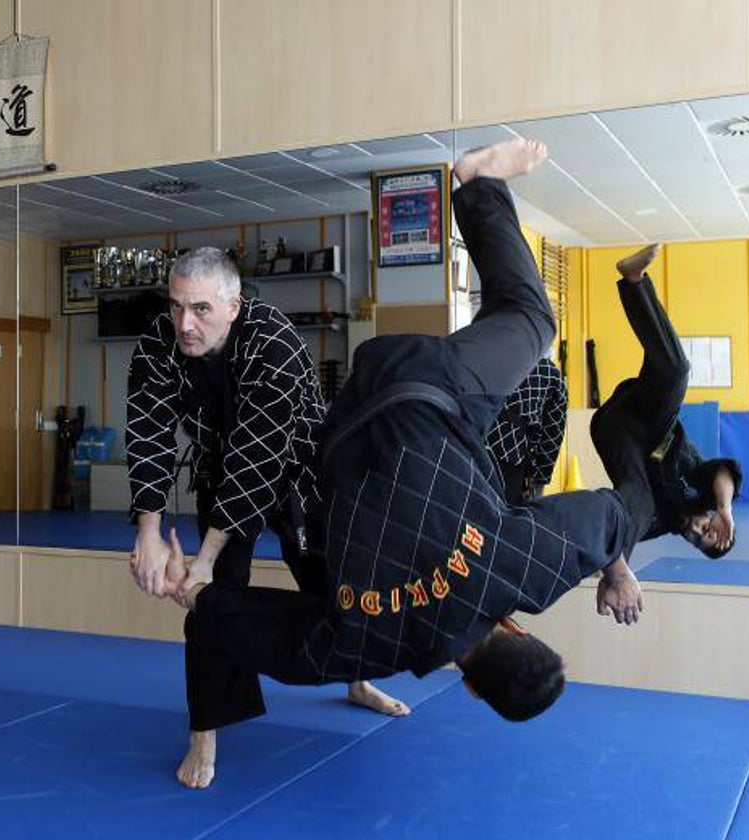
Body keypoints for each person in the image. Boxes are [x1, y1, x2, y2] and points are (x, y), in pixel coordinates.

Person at [166, 138, 647, 746]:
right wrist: (201, 598)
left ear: (519, 632)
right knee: (317, 551)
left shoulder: (522, 569)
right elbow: (281, 642)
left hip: (425, 383)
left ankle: (478, 184)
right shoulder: (371, 642)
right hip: (340, 429)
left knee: (533, 320)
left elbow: (605, 515)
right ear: (470, 687)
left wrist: (617, 570)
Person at [125, 246, 407, 790]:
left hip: (302, 471)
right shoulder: (158, 343)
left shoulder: (273, 340)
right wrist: (149, 534)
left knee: (332, 585)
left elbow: (257, 458)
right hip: (217, 470)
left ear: (233, 306)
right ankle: (205, 728)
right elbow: (149, 433)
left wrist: (202, 559)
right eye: (177, 305)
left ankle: (356, 678)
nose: (185, 323)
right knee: (211, 602)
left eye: (201, 309)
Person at [589, 244, 742, 578]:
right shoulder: (703, 490)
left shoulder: (658, 521)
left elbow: (621, 525)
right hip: (649, 418)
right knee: (677, 372)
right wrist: (725, 509)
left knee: (636, 504)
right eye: (707, 528)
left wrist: (617, 571)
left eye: (699, 540)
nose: (697, 531)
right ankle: (633, 281)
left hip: (618, 438)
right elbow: (725, 473)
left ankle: (617, 574)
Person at [486, 357, 567, 504]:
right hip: (511, 460)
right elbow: (552, 436)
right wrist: (539, 481)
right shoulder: (546, 371)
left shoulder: (477, 357)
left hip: (466, 451)